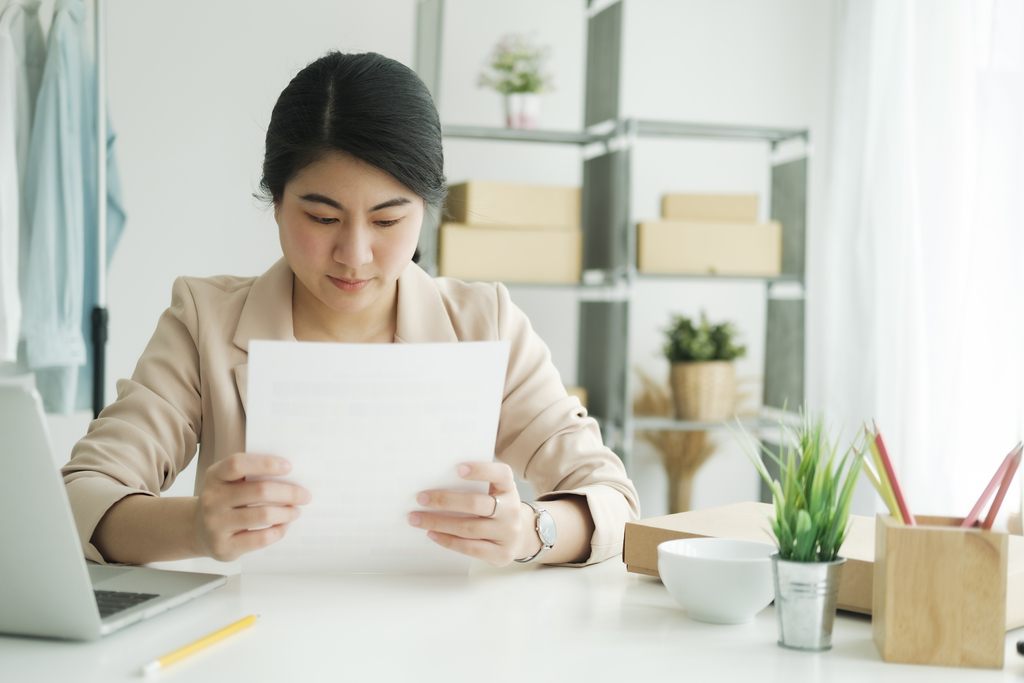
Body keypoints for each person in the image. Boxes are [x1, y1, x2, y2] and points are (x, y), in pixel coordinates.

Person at [61, 51, 640, 569]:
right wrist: (194, 526)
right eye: (322, 217)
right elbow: (81, 496)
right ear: (276, 202)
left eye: (388, 221)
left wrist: (529, 531)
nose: (354, 255)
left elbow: (611, 498)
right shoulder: (204, 321)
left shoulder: (483, 323)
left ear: (426, 209)